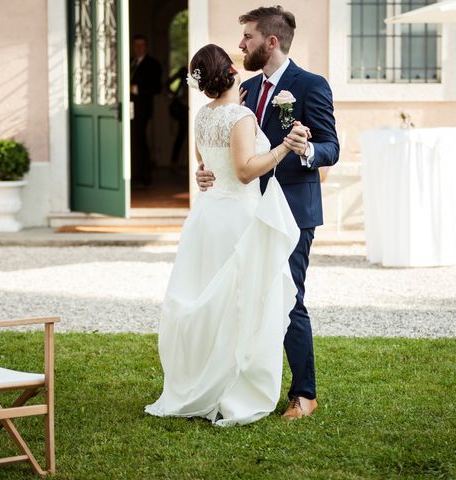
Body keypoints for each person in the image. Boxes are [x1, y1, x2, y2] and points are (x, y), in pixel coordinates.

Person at [144, 44, 308, 426]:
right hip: (237, 217)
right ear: (232, 71)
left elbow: (205, 164)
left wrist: (204, 172)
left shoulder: (203, 115)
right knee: (241, 303)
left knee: (210, 302)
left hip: (207, 216)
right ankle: (231, 389)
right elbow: (246, 171)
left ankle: (203, 381)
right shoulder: (241, 116)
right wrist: (285, 146)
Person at [196, 6, 339, 420]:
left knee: (288, 297)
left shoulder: (310, 86)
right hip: (244, 208)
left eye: (248, 38)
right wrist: (207, 172)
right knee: (241, 297)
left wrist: (306, 149)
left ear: (271, 42)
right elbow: (231, 150)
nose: (241, 45)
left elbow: (332, 145)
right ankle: (236, 382)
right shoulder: (244, 89)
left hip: (292, 209)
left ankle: (304, 394)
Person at [130, 34, 162, 187]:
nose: (138, 48)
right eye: (136, 45)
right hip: (127, 109)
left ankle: (144, 177)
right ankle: (132, 175)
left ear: (146, 47)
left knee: (140, 141)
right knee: (131, 142)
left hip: (142, 110)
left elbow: (156, 88)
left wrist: (134, 89)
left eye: (141, 45)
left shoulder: (152, 64)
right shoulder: (130, 62)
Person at [167, 66, 189, 166]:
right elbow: (167, 84)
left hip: (184, 107)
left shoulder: (192, 72)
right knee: (181, 136)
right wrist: (175, 96)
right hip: (181, 107)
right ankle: (175, 163)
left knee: (182, 136)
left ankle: (176, 162)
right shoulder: (183, 71)